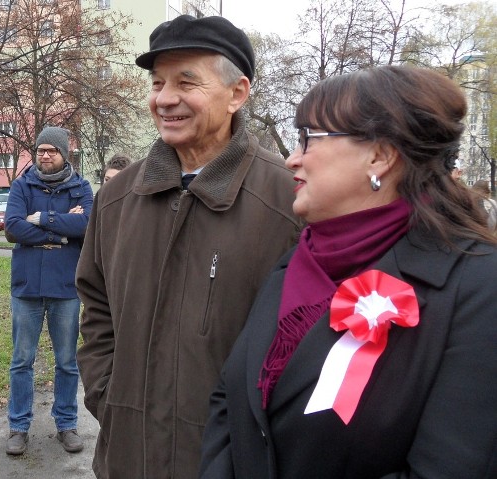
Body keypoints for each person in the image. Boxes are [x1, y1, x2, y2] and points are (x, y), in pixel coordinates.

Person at [199, 66, 497, 478]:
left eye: (308, 139)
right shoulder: (295, 264)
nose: (292, 158)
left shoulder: (477, 287)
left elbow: (451, 466)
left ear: (379, 154)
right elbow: (230, 402)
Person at [75, 15, 301, 478]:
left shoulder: (289, 202)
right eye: (157, 83)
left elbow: (305, 337)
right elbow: (96, 307)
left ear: (237, 93)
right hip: (127, 456)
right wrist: (107, 392)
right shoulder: (118, 199)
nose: (164, 98)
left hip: (231, 461)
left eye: (186, 82)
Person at [3, 126, 93, 455]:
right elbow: (13, 227)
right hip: (26, 287)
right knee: (21, 360)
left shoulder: (81, 187)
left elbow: (86, 225)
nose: (44, 155)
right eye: (40, 150)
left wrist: (41, 218)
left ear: (63, 154)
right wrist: (59, 233)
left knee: (67, 361)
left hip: (65, 288)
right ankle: (18, 426)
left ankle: (67, 424)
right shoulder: (22, 185)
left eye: (51, 151)